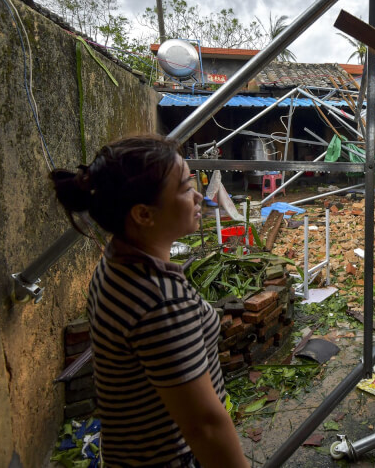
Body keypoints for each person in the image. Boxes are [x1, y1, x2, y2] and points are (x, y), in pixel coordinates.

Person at [51, 135, 249, 468]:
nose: (199, 196)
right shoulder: (160, 301)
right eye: (186, 189)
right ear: (143, 214)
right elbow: (205, 427)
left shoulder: (115, 260)